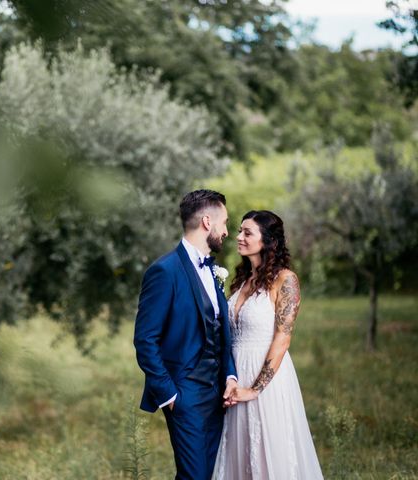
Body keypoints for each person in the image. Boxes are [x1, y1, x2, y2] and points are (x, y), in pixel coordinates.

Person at [134, 189, 238, 480]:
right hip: (185, 393)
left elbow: (220, 335)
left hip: (217, 393)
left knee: (210, 474)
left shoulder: (213, 272)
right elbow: (145, 339)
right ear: (208, 222)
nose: (227, 231)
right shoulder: (164, 271)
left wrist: (229, 376)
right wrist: (169, 394)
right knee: (195, 476)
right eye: (225, 223)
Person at [212, 210, 323, 479]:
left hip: (267, 378)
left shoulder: (285, 280)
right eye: (239, 230)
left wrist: (254, 389)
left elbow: (283, 338)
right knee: (238, 455)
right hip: (235, 379)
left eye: (247, 233)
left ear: (268, 240)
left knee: (267, 457)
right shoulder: (241, 281)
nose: (238, 237)